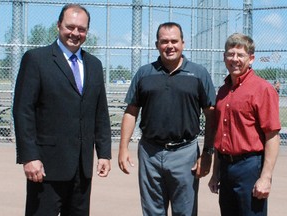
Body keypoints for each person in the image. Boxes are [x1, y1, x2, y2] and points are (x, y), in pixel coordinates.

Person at [13, 4, 112, 216]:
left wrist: (104, 153)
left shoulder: (94, 65)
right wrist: (29, 156)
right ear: (58, 26)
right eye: (70, 27)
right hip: (46, 166)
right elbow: (23, 111)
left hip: (82, 168)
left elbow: (100, 112)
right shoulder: (36, 59)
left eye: (81, 29)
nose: (75, 33)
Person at [118, 22, 216, 216]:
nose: (169, 46)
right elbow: (131, 112)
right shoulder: (144, 73)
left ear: (183, 43)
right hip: (150, 153)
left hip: (185, 153)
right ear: (157, 45)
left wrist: (207, 153)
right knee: (152, 212)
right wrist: (123, 148)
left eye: (174, 41)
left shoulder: (198, 74)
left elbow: (212, 115)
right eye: (164, 41)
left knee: (185, 212)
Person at [208, 33, 281, 216]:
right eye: (230, 54)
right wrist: (216, 172)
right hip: (226, 167)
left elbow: (272, 135)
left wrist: (265, 177)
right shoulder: (223, 91)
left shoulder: (262, 89)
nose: (235, 59)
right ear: (224, 57)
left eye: (240, 55)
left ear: (251, 58)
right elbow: (221, 133)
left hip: (249, 167)